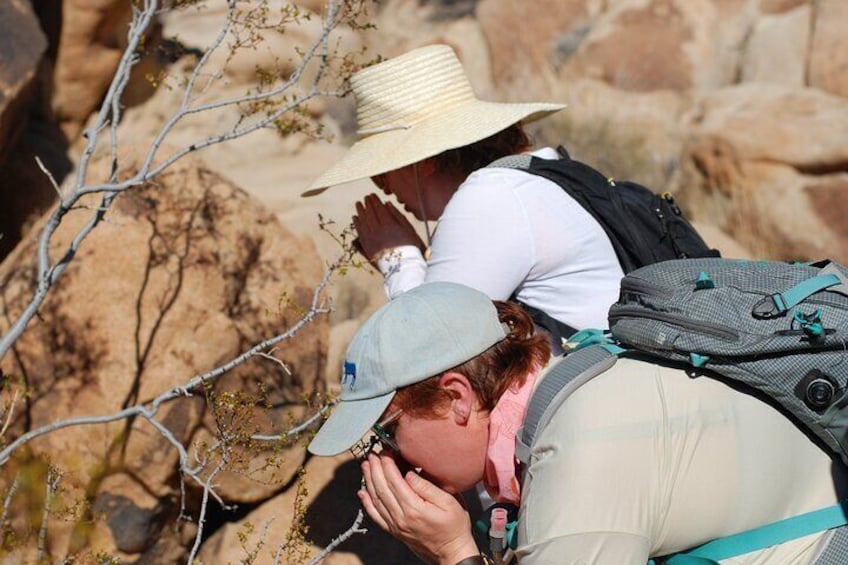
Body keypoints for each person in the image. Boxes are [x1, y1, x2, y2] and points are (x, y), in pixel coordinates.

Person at [308, 282, 845, 564]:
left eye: (387, 432)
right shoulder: (578, 379)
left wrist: (455, 554)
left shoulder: (575, 458)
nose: (388, 460)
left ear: (457, 398)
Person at [303, 44, 624, 341]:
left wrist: (399, 260)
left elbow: (430, 346)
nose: (380, 185)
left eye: (382, 169)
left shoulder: (490, 197)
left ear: (423, 161)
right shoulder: (527, 178)